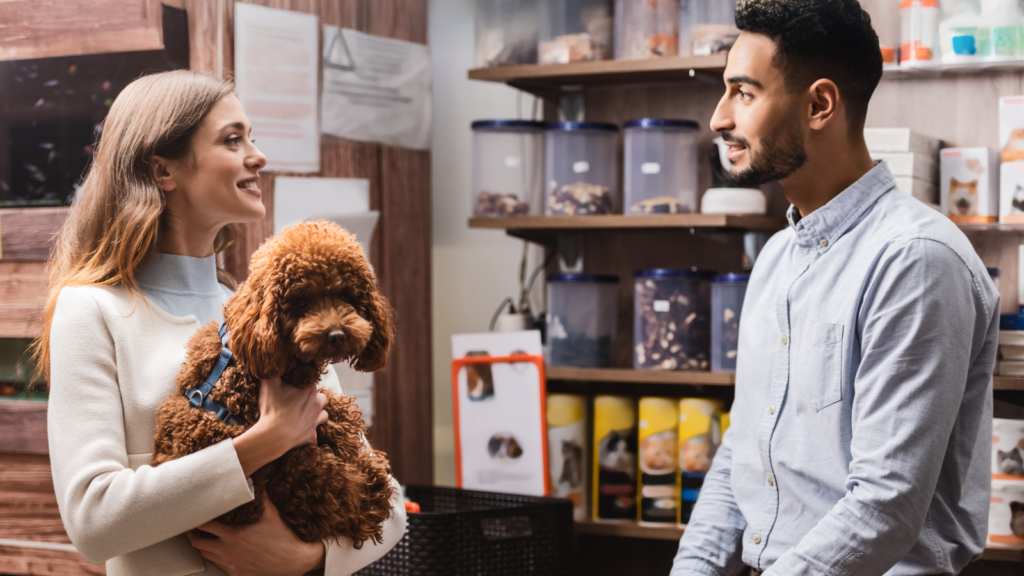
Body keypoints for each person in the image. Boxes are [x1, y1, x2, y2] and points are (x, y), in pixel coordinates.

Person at [34, 70, 406, 576]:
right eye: (233, 140)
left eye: (253, 137)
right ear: (163, 171)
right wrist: (265, 441)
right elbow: (94, 522)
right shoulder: (93, 310)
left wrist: (309, 559)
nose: (258, 156)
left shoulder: (266, 312)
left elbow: (390, 508)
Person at [671, 1, 998, 575]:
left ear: (820, 104)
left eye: (743, 93)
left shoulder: (915, 259)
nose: (719, 117)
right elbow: (742, 454)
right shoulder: (777, 257)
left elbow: (885, 506)